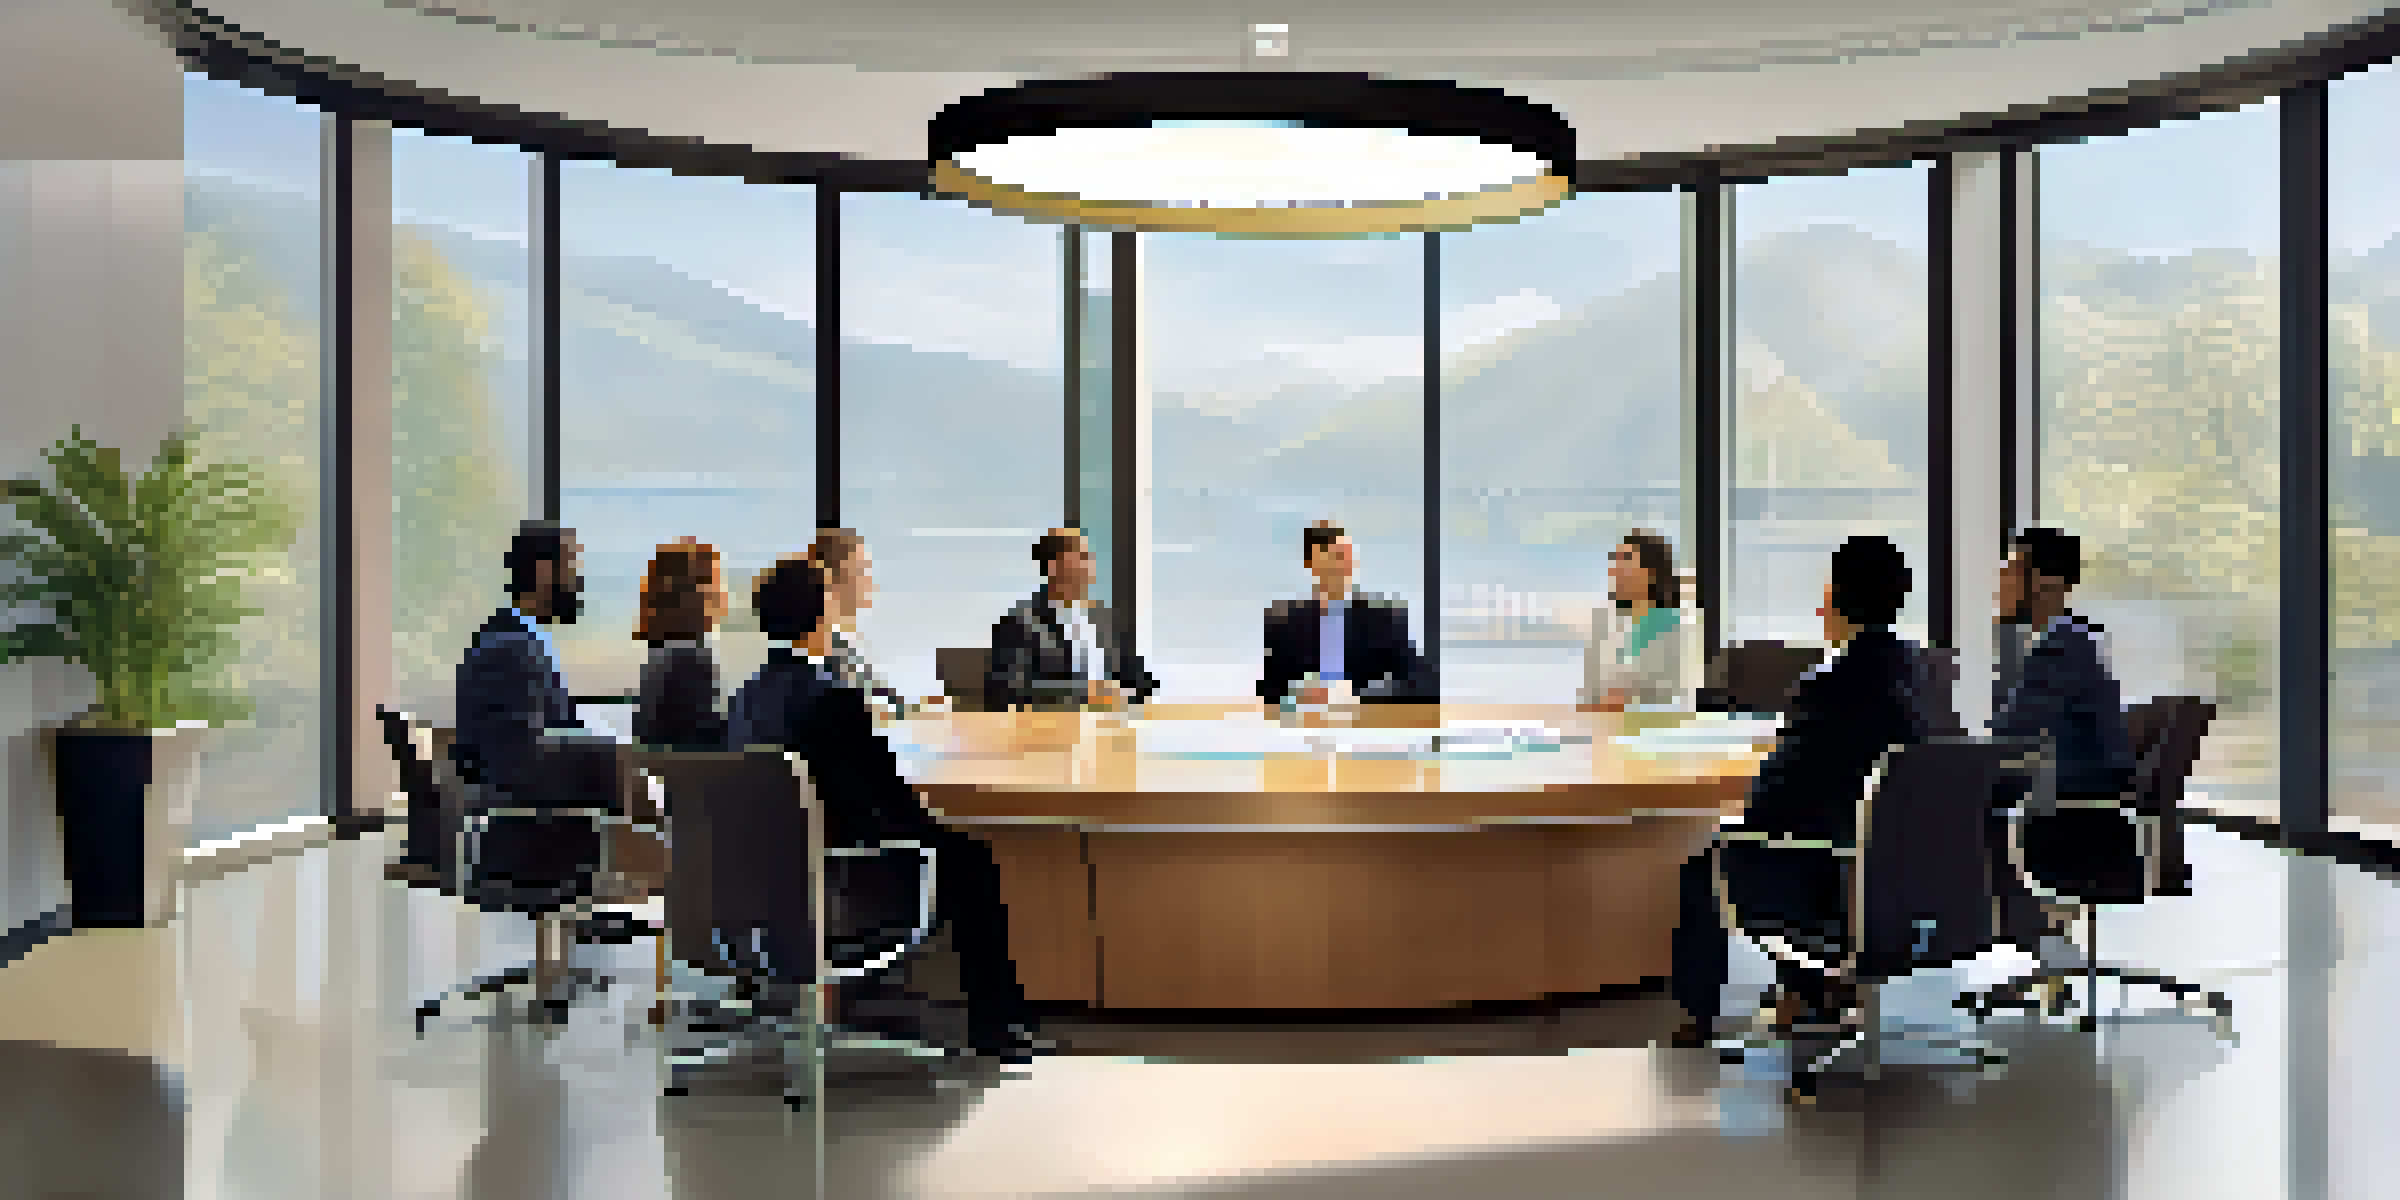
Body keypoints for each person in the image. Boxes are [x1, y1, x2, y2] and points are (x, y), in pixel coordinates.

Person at [725, 555, 1041, 1065]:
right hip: (842, 880)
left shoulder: (745, 699)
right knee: (969, 860)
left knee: (952, 852)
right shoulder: (833, 701)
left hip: (757, 883)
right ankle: (996, 1026)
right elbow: (892, 810)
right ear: (823, 615)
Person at [1669, 535, 1935, 1049]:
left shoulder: (1830, 683)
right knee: (1803, 839)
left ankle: (1698, 1018)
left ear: (1837, 599)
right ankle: (1814, 990)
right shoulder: (1921, 675)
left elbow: (1777, 797)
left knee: (1714, 860)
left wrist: (1747, 812)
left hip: (1836, 871)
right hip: (1904, 873)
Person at [1990, 526, 2134, 964]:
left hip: (2071, 819)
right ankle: (2044, 944)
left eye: (2013, 569)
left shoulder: (2058, 654)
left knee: (1944, 809)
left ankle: (2036, 941)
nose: (2001, 580)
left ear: (2047, 585)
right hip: (2081, 806)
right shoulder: (2073, 640)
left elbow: (2009, 742)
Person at [452, 520, 590, 802]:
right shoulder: (512, 650)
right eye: (570, 567)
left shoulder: (512, 636)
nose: (577, 581)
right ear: (543, 571)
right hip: (530, 819)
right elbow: (523, 760)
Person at [1260, 520, 1431, 707]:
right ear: (1310, 563)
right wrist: (1296, 697)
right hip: (1304, 727)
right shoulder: (1284, 623)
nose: (1345, 564)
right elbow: (1269, 692)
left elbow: (1422, 684)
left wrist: (1358, 698)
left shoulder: (1383, 619)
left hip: (1368, 727)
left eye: (1348, 556)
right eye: (1337, 556)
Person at [987, 528, 1158, 712]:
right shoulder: (1018, 624)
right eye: (1082, 557)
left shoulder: (1102, 619)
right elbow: (1008, 689)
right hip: (1051, 731)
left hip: (1112, 729)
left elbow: (1139, 677)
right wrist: (1085, 693)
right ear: (1054, 566)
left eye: (1089, 557)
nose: (1090, 565)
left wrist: (1132, 692)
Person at [805, 528, 935, 724]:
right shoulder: (815, 652)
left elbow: (887, 704)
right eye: (861, 571)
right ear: (830, 579)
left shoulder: (839, 646)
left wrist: (928, 708)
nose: (870, 583)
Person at [632, 538, 730, 751]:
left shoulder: (659, 659)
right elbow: (702, 742)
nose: (723, 595)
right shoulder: (692, 662)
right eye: (715, 584)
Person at [1580, 530, 1693, 711]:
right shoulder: (1603, 621)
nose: (1615, 569)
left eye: (1625, 561)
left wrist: (1630, 698)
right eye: (1615, 561)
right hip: (1607, 724)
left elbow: (1680, 691)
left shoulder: (1677, 626)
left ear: (1651, 572)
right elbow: (1590, 690)